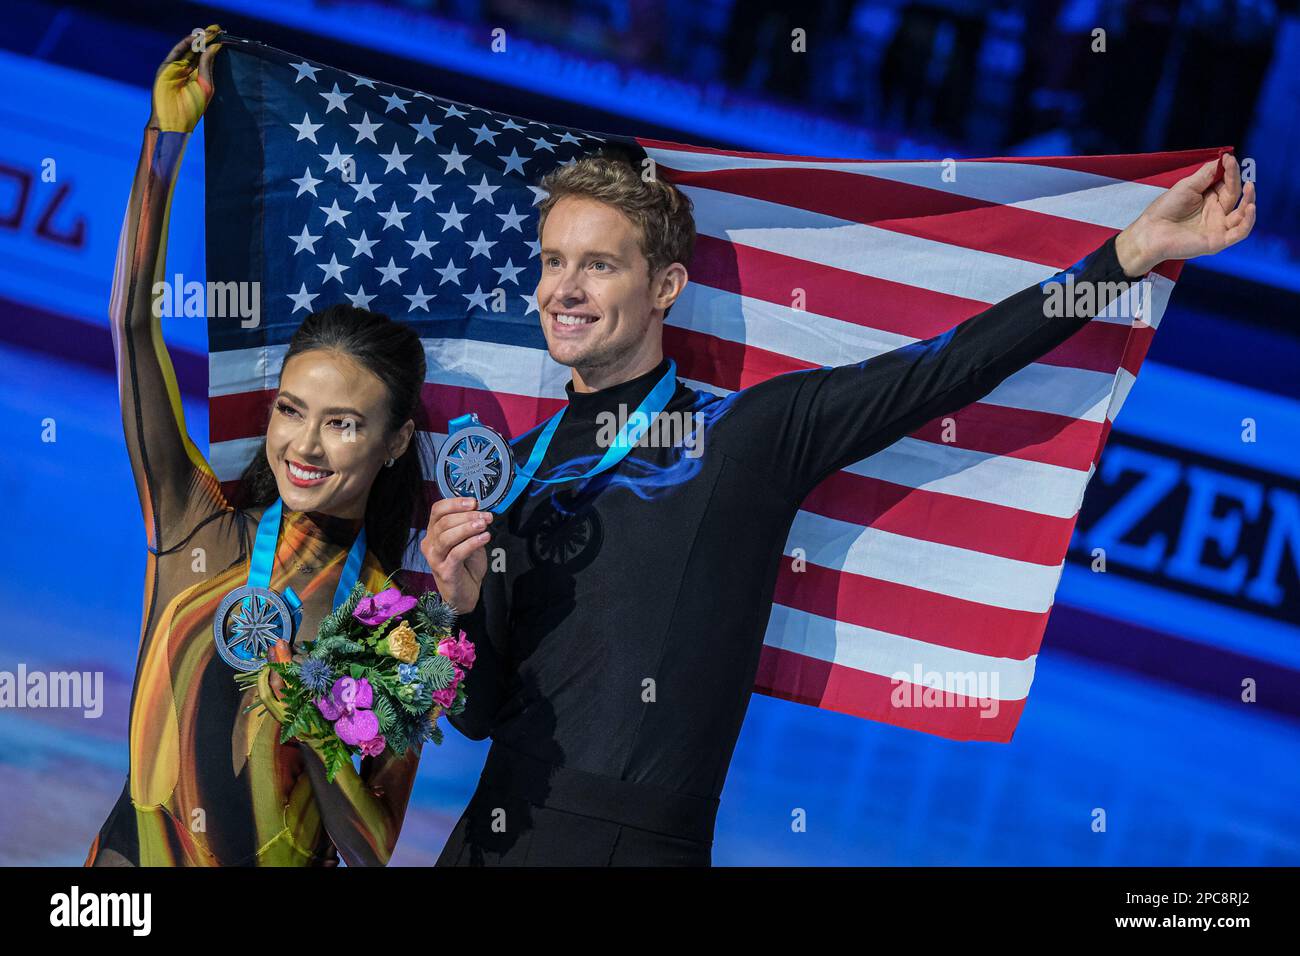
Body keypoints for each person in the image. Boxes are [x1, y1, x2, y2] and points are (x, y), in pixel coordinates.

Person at [424, 144, 1255, 865]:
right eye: (553, 260)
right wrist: (461, 609)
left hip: (638, 845)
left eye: (598, 264)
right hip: (492, 835)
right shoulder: (515, 473)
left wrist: (1131, 253)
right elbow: (479, 715)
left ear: (667, 285)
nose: (563, 288)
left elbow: (952, 367)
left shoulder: (751, 435)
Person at [84, 27, 434, 867]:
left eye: (343, 423)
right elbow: (134, 325)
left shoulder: (390, 630)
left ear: (395, 443)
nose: (305, 445)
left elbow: (370, 847)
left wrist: (313, 722)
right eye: (290, 409)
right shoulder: (196, 528)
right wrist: (164, 144)